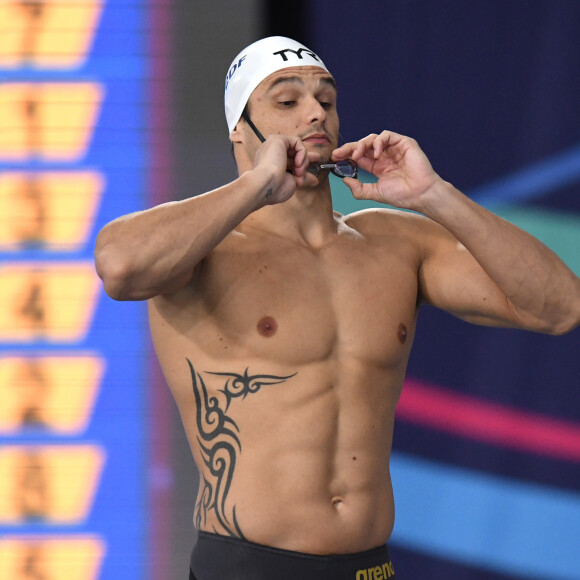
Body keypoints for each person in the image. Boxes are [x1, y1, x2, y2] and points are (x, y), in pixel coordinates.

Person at [94, 36, 580, 580]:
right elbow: (120, 267)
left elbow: (559, 307)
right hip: (249, 566)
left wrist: (434, 195)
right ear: (240, 128)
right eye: (287, 101)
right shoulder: (205, 249)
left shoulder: (395, 244)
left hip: (368, 567)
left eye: (326, 98)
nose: (315, 112)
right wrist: (256, 185)